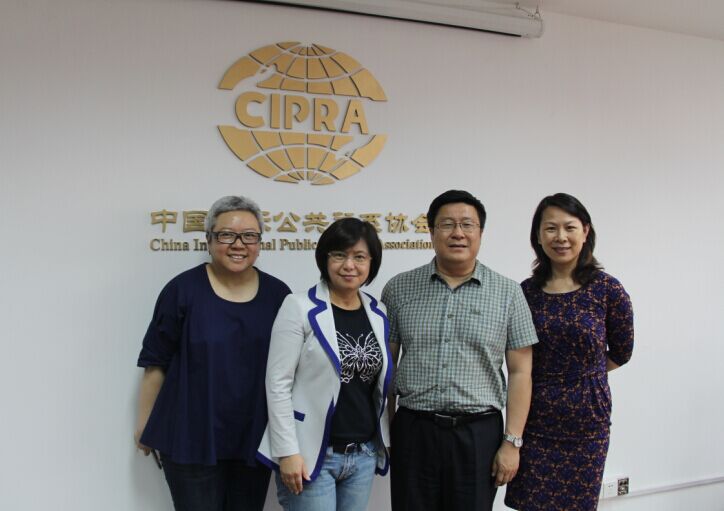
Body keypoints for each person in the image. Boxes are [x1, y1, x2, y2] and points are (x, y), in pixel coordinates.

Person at [382, 189, 539, 511]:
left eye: (467, 224)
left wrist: (512, 442)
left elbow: (521, 372)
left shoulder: (508, 293)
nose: (458, 233)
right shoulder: (399, 288)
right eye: (447, 224)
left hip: (478, 434)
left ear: (480, 232)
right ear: (431, 231)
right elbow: (387, 366)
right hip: (414, 430)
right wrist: (387, 431)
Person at [134, 195, 291, 511]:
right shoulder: (182, 290)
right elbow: (156, 362)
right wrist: (145, 424)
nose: (238, 244)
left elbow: (289, 370)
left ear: (259, 243)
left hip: (254, 435)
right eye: (226, 235)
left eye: (249, 236)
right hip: (190, 435)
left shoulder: (278, 295)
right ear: (208, 240)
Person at [504, 192, 634, 511]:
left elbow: (622, 351)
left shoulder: (607, 289)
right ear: (538, 236)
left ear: (585, 232)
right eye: (550, 228)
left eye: (569, 227)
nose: (560, 237)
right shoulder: (526, 292)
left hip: (587, 422)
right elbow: (519, 357)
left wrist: (584, 374)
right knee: (531, 503)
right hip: (535, 420)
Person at [257, 217, 392, 511]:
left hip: (363, 454)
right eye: (339, 254)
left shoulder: (378, 311)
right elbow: (277, 383)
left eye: (359, 257)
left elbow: (377, 386)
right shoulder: (298, 306)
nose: (349, 265)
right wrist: (287, 451)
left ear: (371, 262)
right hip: (311, 453)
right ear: (325, 258)